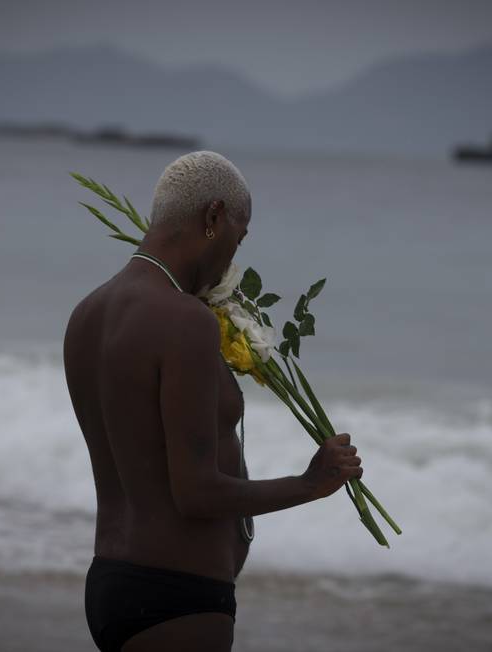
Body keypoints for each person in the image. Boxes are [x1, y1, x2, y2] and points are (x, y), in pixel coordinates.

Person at [63, 150, 364, 652]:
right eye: (237, 239)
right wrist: (311, 483)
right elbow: (196, 493)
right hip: (178, 596)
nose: (232, 260)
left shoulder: (86, 314)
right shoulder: (185, 320)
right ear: (213, 217)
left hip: (111, 582)